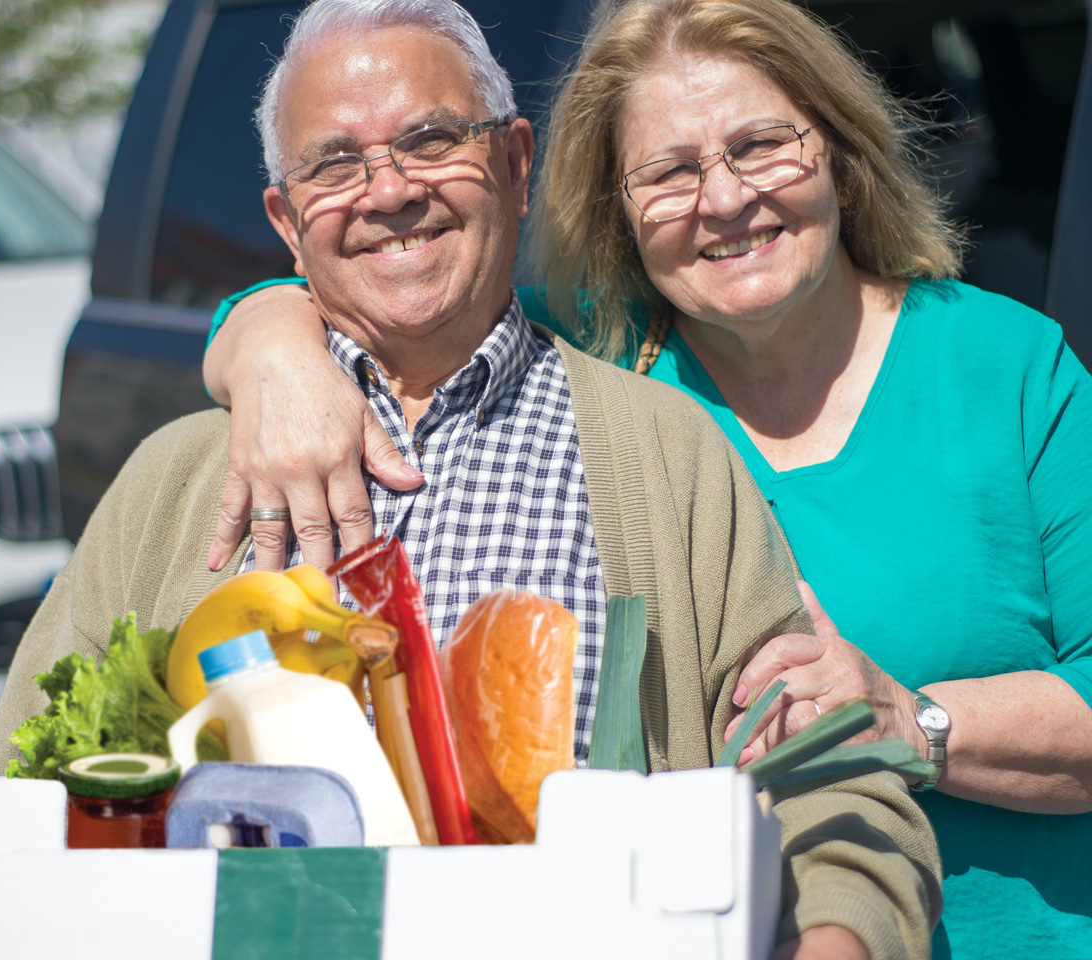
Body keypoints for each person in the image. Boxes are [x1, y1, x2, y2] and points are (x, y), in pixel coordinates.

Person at [0, 2, 941, 957]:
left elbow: (832, 787)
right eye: (334, 163)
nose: (388, 190)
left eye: (432, 139)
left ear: (517, 165)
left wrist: (836, 938)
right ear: (285, 219)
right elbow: (14, 809)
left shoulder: (666, 452)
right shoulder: (178, 478)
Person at [200, 0, 1092, 958]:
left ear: (837, 146)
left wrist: (913, 718)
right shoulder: (592, 358)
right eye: (668, 172)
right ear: (615, 208)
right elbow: (389, 277)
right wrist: (273, 351)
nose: (724, 199)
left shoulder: (1005, 368)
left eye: (761, 145)